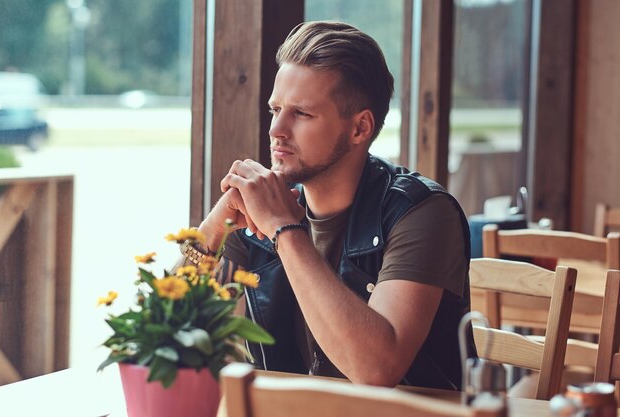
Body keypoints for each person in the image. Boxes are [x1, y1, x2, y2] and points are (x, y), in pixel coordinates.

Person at [180, 21, 475, 389]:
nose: (276, 130)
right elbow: (166, 331)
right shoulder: (262, 212)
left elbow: (376, 369)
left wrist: (284, 231)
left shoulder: (421, 213)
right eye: (275, 109)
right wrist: (214, 225)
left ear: (359, 128)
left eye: (301, 114)